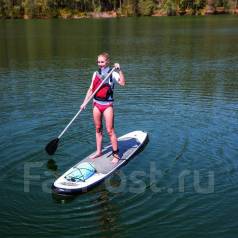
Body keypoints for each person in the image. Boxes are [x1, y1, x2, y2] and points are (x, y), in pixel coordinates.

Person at [80, 52, 126, 163]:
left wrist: (119, 70)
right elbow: (91, 89)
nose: (100, 64)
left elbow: (122, 83)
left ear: (107, 62)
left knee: (110, 130)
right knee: (98, 129)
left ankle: (116, 155)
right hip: (96, 104)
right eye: (99, 62)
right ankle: (99, 151)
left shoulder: (113, 73)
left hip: (107, 106)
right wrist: (84, 102)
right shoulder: (95, 74)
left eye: (102, 62)